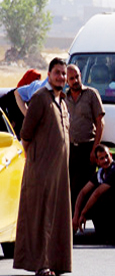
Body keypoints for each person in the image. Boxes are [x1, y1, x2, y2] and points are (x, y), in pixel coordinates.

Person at [13, 58, 72, 276]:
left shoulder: (62, 101)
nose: (61, 77)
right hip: (41, 171)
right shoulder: (40, 99)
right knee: (42, 217)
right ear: (49, 75)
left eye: (64, 74)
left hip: (59, 173)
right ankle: (41, 264)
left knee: (58, 217)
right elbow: (25, 136)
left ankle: (57, 263)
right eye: (57, 73)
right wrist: (36, 161)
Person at [73, 144, 115, 244]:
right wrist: (76, 216)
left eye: (107, 156)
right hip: (111, 212)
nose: (105, 160)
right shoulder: (100, 173)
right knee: (83, 198)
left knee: (99, 199)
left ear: (111, 155)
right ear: (97, 161)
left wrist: (83, 213)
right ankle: (101, 233)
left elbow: (97, 194)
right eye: (102, 158)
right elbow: (82, 192)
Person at [66, 64, 106, 210]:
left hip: (87, 148)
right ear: (67, 81)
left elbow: (100, 123)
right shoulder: (64, 98)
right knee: (69, 187)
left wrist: (95, 149)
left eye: (77, 77)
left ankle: (81, 218)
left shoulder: (91, 94)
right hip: (70, 149)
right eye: (71, 78)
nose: (75, 80)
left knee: (84, 187)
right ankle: (71, 224)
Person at [0, 69, 42, 134]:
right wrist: (9, 121)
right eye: (35, 79)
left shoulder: (37, 95)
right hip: (14, 130)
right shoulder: (15, 93)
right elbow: (2, 104)